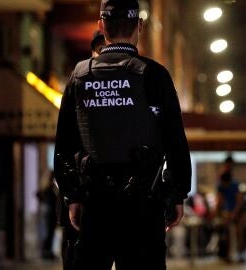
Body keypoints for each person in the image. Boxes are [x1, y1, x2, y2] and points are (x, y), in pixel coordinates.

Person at [53, 1, 191, 269]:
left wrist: (73, 197)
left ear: (101, 26)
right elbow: (175, 139)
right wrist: (176, 193)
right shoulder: (154, 75)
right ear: (139, 25)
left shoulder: (80, 76)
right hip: (143, 203)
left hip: (94, 202)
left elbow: (65, 144)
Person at [56, 31, 107, 270]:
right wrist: (71, 195)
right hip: (83, 198)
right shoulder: (79, 82)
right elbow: (65, 145)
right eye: (101, 51)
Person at [215, 158, 244, 262]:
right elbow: (219, 201)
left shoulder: (235, 185)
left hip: (236, 212)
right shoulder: (221, 186)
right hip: (227, 212)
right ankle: (227, 255)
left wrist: (234, 213)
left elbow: (239, 201)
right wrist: (220, 213)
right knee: (226, 234)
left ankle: (240, 255)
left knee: (239, 233)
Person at [37, 171, 58, 260]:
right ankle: (47, 253)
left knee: (48, 232)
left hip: (47, 211)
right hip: (50, 211)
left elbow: (38, 195)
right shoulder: (50, 187)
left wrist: (43, 202)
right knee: (49, 232)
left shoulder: (45, 186)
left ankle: (47, 252)